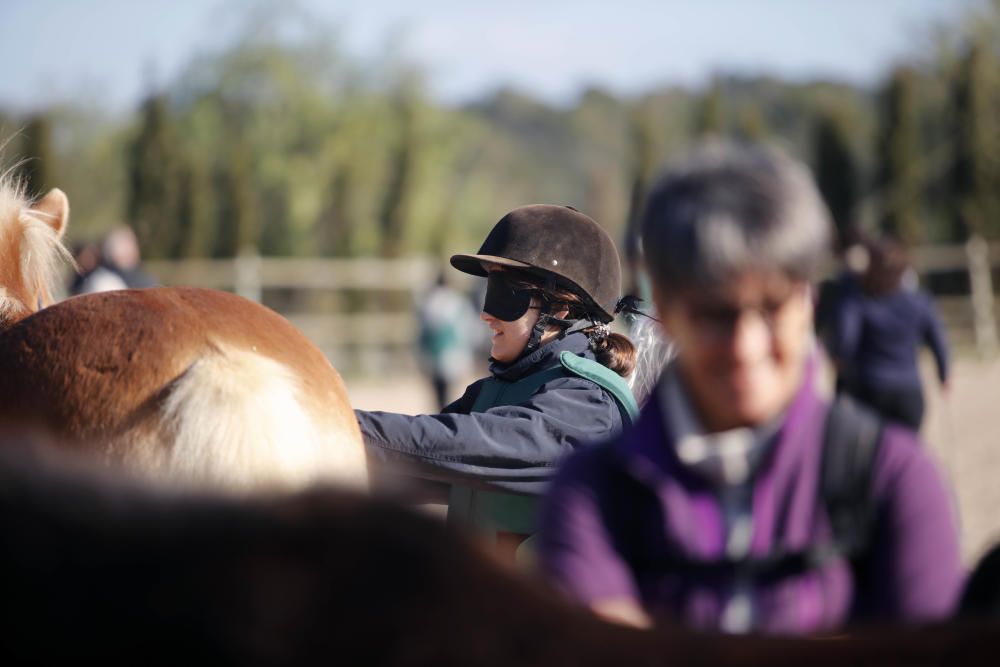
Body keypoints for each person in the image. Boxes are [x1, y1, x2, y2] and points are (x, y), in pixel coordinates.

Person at [537, 143, 963, 634]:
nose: (747, 344)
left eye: (773, 306)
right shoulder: (594, 494)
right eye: (717, 313)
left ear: (808, 302)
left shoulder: (894, 479)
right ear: (668, 312)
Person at [356, 205, 639, 563]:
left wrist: (338, 423)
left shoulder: (590, 405)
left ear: (561, 308)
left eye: (505, 294)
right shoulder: (493, 391)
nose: (486, 313)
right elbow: (413, 464)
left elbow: (461, 443)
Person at [830, 237, 950, 431]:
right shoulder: (920, 302)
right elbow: (938, 341)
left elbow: (845, 340)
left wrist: (839, 362)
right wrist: (944, 374)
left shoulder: (859, 303)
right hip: (909, 393)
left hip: (870, 392)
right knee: (904, 456)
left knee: (873, 455)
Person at [416, 270, 481, 409]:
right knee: (451, 393)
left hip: (432, 355)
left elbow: (421, 331)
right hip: (453, 354)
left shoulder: (428, 301)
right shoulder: (457, 301)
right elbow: (467, 328)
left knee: (438, 392)